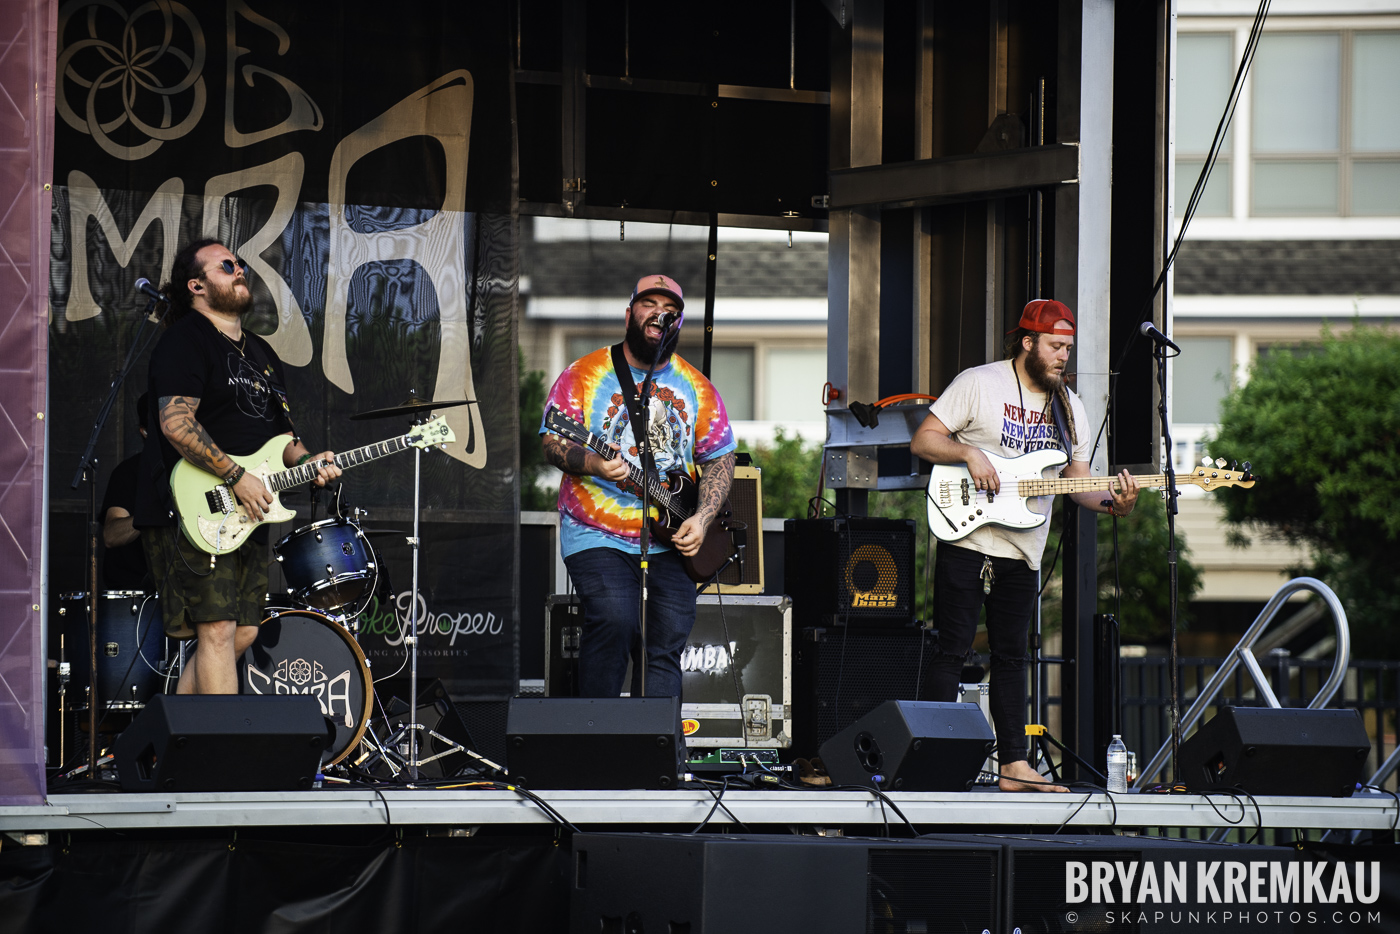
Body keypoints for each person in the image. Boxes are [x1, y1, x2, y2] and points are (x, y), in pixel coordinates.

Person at [910, 298, 1139, 792]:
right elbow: (924, 440)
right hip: (967, 531)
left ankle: (1014, 765)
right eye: (1056, 347)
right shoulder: (979, 382)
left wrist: (1113, 503)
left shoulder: (1071, 408)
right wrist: (969, 452)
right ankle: (931, 755)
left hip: (1023, 548)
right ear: (1029, 343)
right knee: (951, 649)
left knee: (1014, 655)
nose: (1063, 357)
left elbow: (1079, 482)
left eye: (1069, 349)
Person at [133, 239, 341, 695]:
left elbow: (283, 439)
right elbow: (176, 423)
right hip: (194, 505)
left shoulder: (262, 354)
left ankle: (169, 745)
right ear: (197, 285)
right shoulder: (185, 339)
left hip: (248, 509)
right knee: (218, 630)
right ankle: (217, 758)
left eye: (240, 264)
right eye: (227, 265)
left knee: (243, 631)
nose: (240, 269)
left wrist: (309, 461)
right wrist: (235, 476)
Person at [540, 274, 737, 698]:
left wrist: (702, 518)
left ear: (677, 323)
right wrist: (592, 462)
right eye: (649, 303)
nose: (658, 312)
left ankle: (660, 757)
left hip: (671, 538)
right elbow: (553, 442)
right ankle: (597, 747)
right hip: (598, 533)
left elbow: (721, 457)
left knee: (665, 646)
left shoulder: (698, 387)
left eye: (669, 308)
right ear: (631, 314)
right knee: (615, 620)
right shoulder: (584, 374)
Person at [100, 392, 151, 590]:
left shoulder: (199, 471)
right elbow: (111, 536)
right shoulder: (129, 472)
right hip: (138, 594)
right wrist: (151, 513)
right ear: (144, 431)